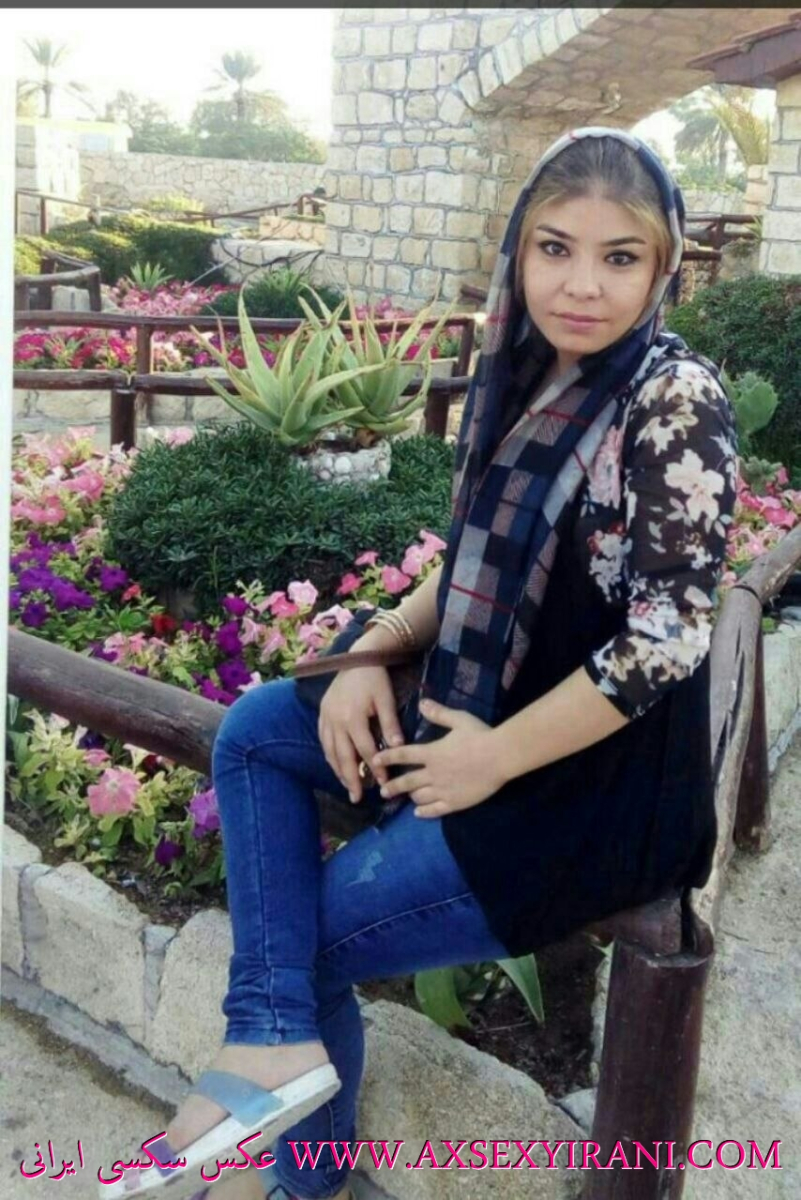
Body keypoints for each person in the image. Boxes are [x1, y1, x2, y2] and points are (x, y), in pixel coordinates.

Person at [112, 127, 738, 1200]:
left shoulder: (670, 398)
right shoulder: (529, 371)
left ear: (663, 266)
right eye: (555, 248)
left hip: (587, 785)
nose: (582, 285)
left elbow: (666, 639)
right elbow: (475, 566)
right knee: (260, 730)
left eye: (620, 256)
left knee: (305, 945)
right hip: (478, 704)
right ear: (518, 250)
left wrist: (493, 758)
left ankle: (298, 1166)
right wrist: (372, 645)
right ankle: (269, 1043)